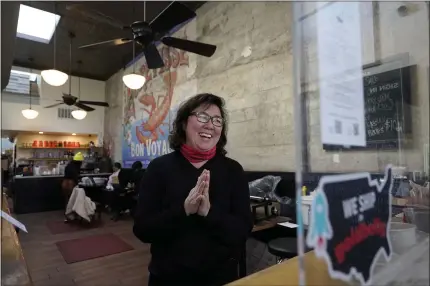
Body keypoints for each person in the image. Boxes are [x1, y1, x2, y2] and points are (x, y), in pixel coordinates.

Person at [133, 93, 253, 286]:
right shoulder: (159, 168)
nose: (210, 125)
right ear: (183, 123)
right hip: (168, 278)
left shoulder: (233, 170)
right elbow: (142, 230)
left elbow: (242, 230)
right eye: (203, 117)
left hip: (220, 277)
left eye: (217, 120)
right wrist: (184, 210)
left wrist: (208, 213)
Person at [62, 152, 84, 222]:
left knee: (67, 199)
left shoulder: (69, 165)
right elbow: (75, 176)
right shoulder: (75, 167)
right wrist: (78, 182)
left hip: (64, 183)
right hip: (71, 184)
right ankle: (73, 215)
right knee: (73, 200)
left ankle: (67, 215)